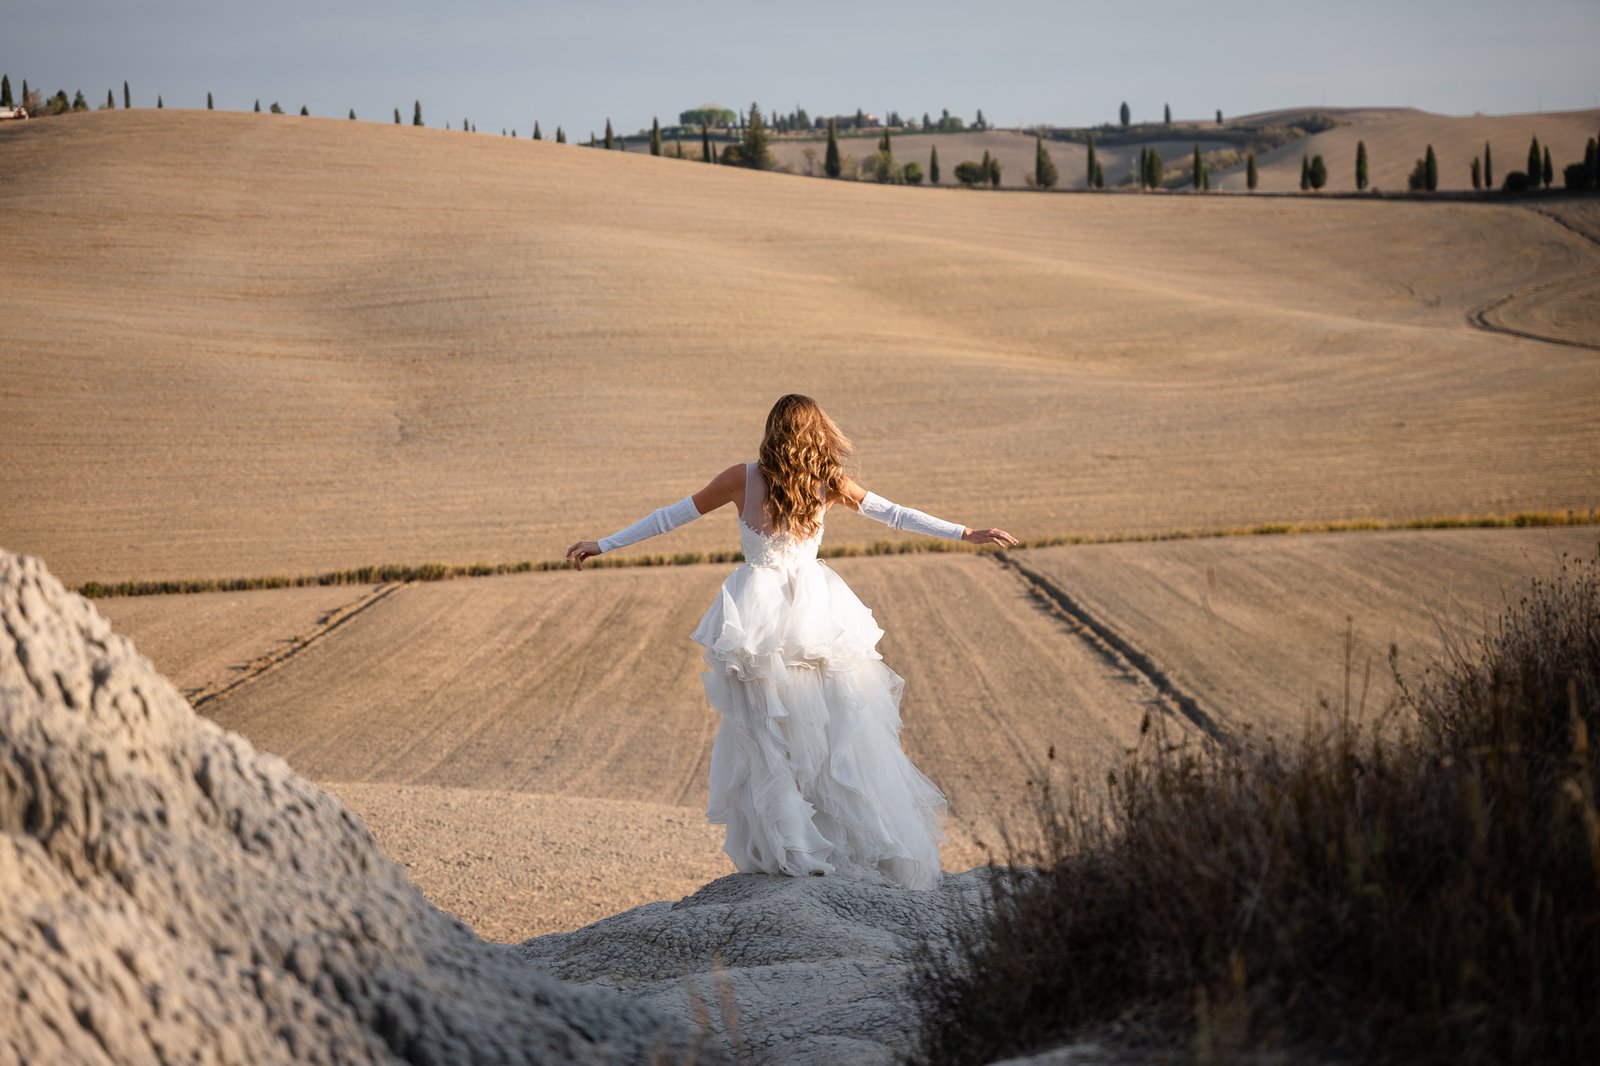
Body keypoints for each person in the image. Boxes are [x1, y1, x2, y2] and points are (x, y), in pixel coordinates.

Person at [566, 394, 1017, 890]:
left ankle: (795, 851)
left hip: (758, 620)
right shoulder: (827, 481)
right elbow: (893, 514)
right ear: (817, 432)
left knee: (768, 737)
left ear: (772, 430)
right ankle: (832, 847)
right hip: (817, 616)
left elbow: (671, 515)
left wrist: (604, 543)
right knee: (831, 736)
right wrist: (965, 532)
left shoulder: (742, 477)